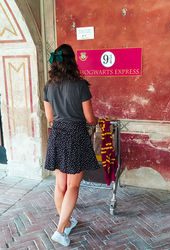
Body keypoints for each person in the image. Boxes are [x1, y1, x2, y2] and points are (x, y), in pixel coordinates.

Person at [43, 44, 99, 246]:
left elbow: (50, 117)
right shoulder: (81, 85)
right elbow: (90, 118)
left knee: (60, 185)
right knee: (73, 186)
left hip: (57, 134)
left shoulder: (48, 86)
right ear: (72, 61)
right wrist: (97, 121)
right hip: (76, 134)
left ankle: (66, 221)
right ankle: (60, 230)